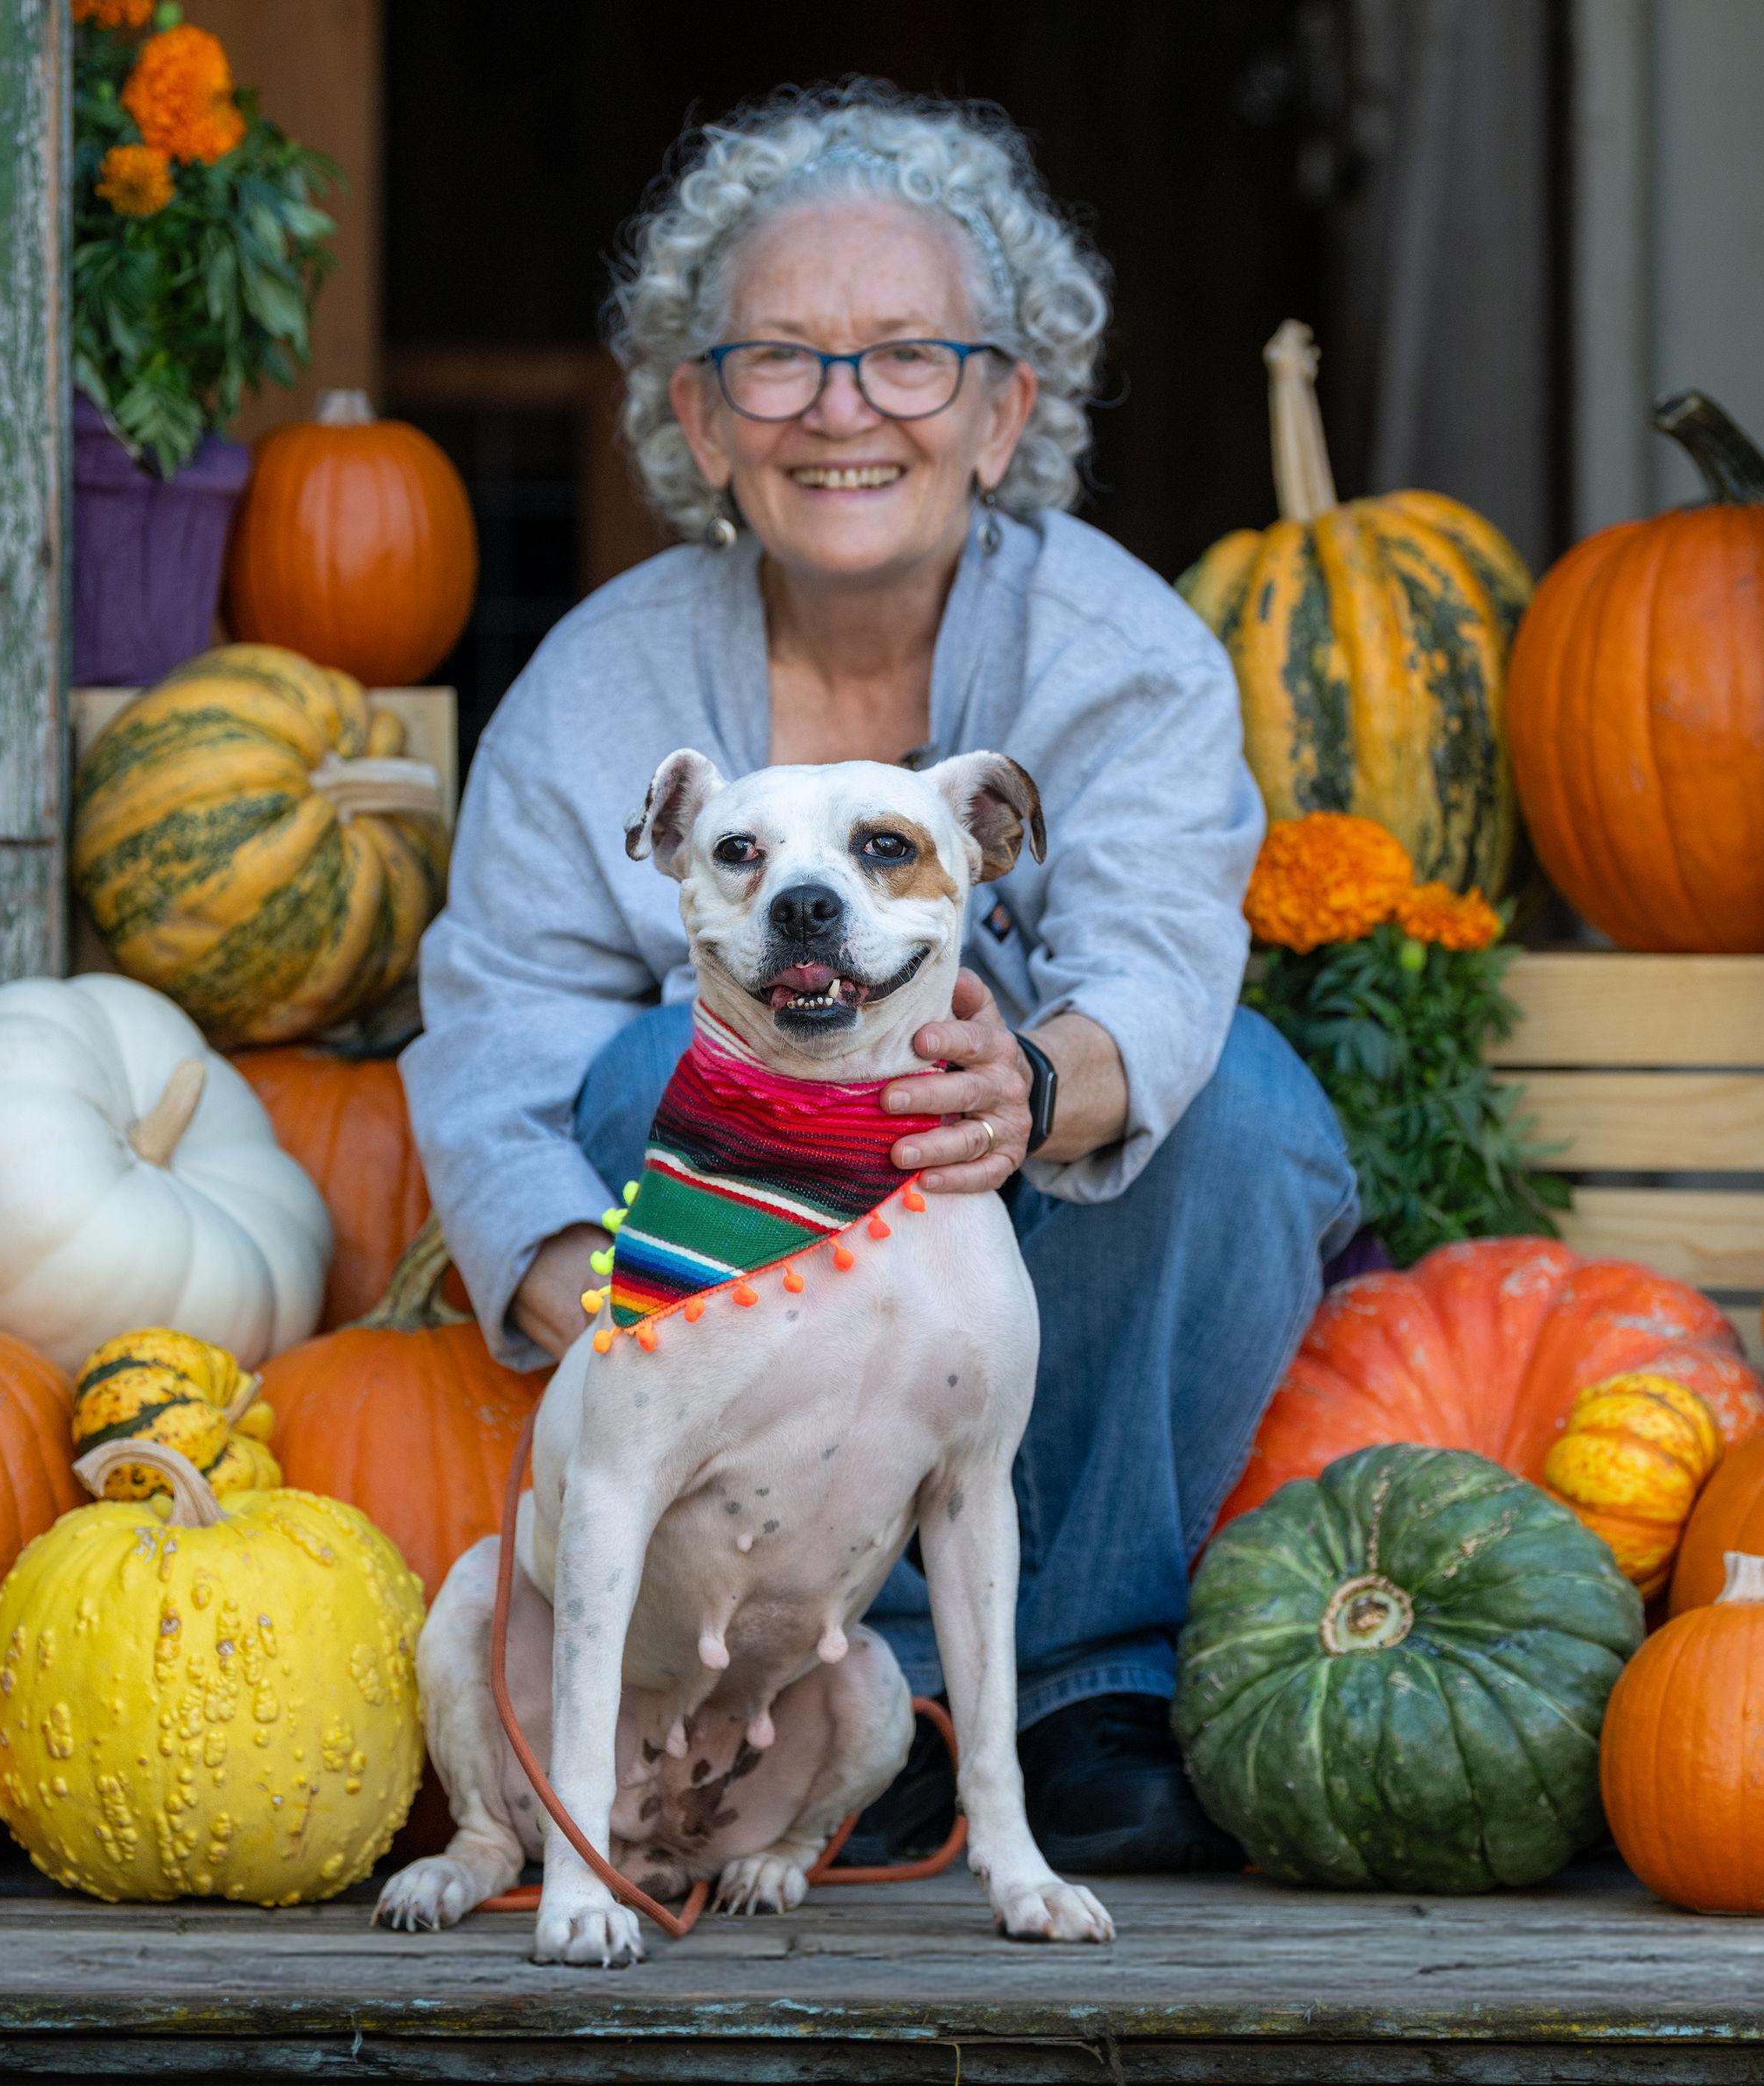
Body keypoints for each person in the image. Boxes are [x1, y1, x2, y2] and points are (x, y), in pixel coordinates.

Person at [401, 83, 1357, 1873]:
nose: (844, 410)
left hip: (1038, 1253)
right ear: (701, 418)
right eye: (779, 360)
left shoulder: (1124, 653)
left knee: (1238, 1106)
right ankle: (849, 1687)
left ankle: (1087, 1685)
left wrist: (1037, 1085)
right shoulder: (600, 686)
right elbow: (500, 1031)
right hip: (735, 1338)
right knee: (652, 1079)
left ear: (1005, 413)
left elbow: (1161, 957)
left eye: (912, 357)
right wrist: (589, 1303)